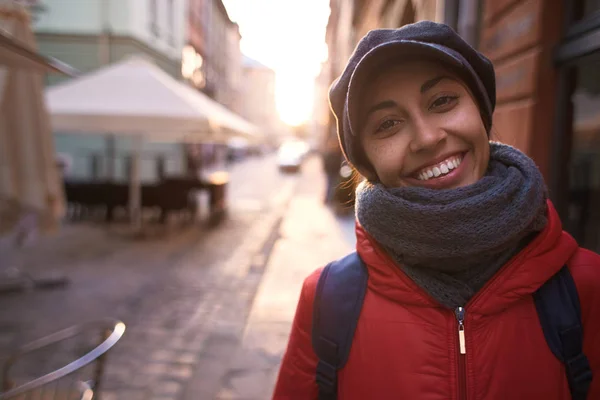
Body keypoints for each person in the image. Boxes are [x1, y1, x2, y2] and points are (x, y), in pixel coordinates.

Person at [272, 21, 600, 399]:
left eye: (442, 101)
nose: (428, 138)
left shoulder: (585, 287)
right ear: (369, 163)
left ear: (479, 110)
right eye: (388, 124)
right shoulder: (328, 301)